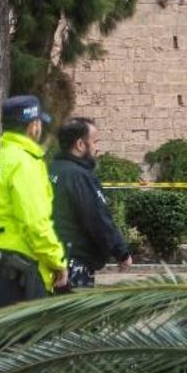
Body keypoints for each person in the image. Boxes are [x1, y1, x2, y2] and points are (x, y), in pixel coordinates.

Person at [0, 95, 68, 309]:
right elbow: (35, 223)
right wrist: (57, 262)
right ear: (34, 126)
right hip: (17, 275)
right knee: (28, 343)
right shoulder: (25, 163)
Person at [49, 118, 132, 288]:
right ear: (80, 144)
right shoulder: (79, 176)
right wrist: (121, 252)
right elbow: (98, 218)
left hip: (48, 263)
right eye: (95, 142)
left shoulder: (49, 170)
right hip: (74, 266)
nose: (96, 148)